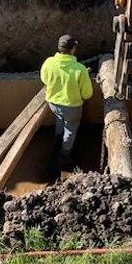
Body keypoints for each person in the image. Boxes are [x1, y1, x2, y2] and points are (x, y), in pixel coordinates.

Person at [41, 34, 93, 176]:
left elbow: (44, 79)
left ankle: (57, 138)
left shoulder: (49, 63)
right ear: (73, 49)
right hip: (72, 106)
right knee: (70, 129)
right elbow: (87, 93)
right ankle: (65, 154)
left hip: (53, 103)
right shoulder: (80, 69)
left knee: (60, 119)